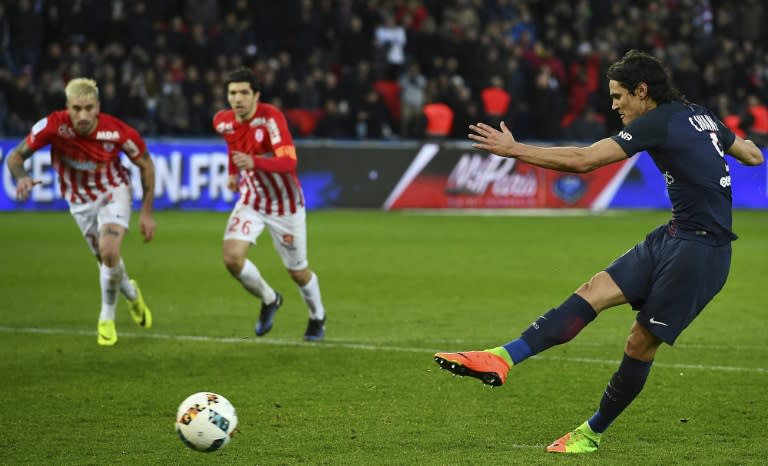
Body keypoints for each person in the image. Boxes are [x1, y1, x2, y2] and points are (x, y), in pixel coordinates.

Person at [433, 50, 764, 453]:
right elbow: (752, 154)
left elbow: (583, 160)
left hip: (702, 252)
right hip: (673, 235)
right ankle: (501, 357)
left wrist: (514, 149)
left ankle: (590, 434)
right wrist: (730, 147)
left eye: (619, 96)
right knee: (594, 290)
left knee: (639, 343)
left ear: (642, 92)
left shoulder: (657, 121)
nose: (614, 105)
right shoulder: (701, 115)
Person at [6, 77, 156, 346]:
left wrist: (146, 212)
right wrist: (21, 177)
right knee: (107, 261)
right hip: (79, 202)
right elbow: (15, 157)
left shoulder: (118, 131)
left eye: (89, 108)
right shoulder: (52, 126)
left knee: (109, 251)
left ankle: (106, 318)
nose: (83, 115)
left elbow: (146, 164)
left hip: (113, 191)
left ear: (98, 107)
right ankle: (133, 295)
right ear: (67, 107)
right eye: (76, 108)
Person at [213, 67, 327, 341]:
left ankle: (317, 316)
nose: (237, 99)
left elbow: (289, 162)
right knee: (232, 258)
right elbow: (233, 145)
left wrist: (254, 162)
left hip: (285, 206)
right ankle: (269, 298)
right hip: (252, 199)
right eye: (232, 93)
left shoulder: (271, 119)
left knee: (297, 272)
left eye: (243, 93)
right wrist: (232, 171)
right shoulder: (222, 121)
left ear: (256, 95)